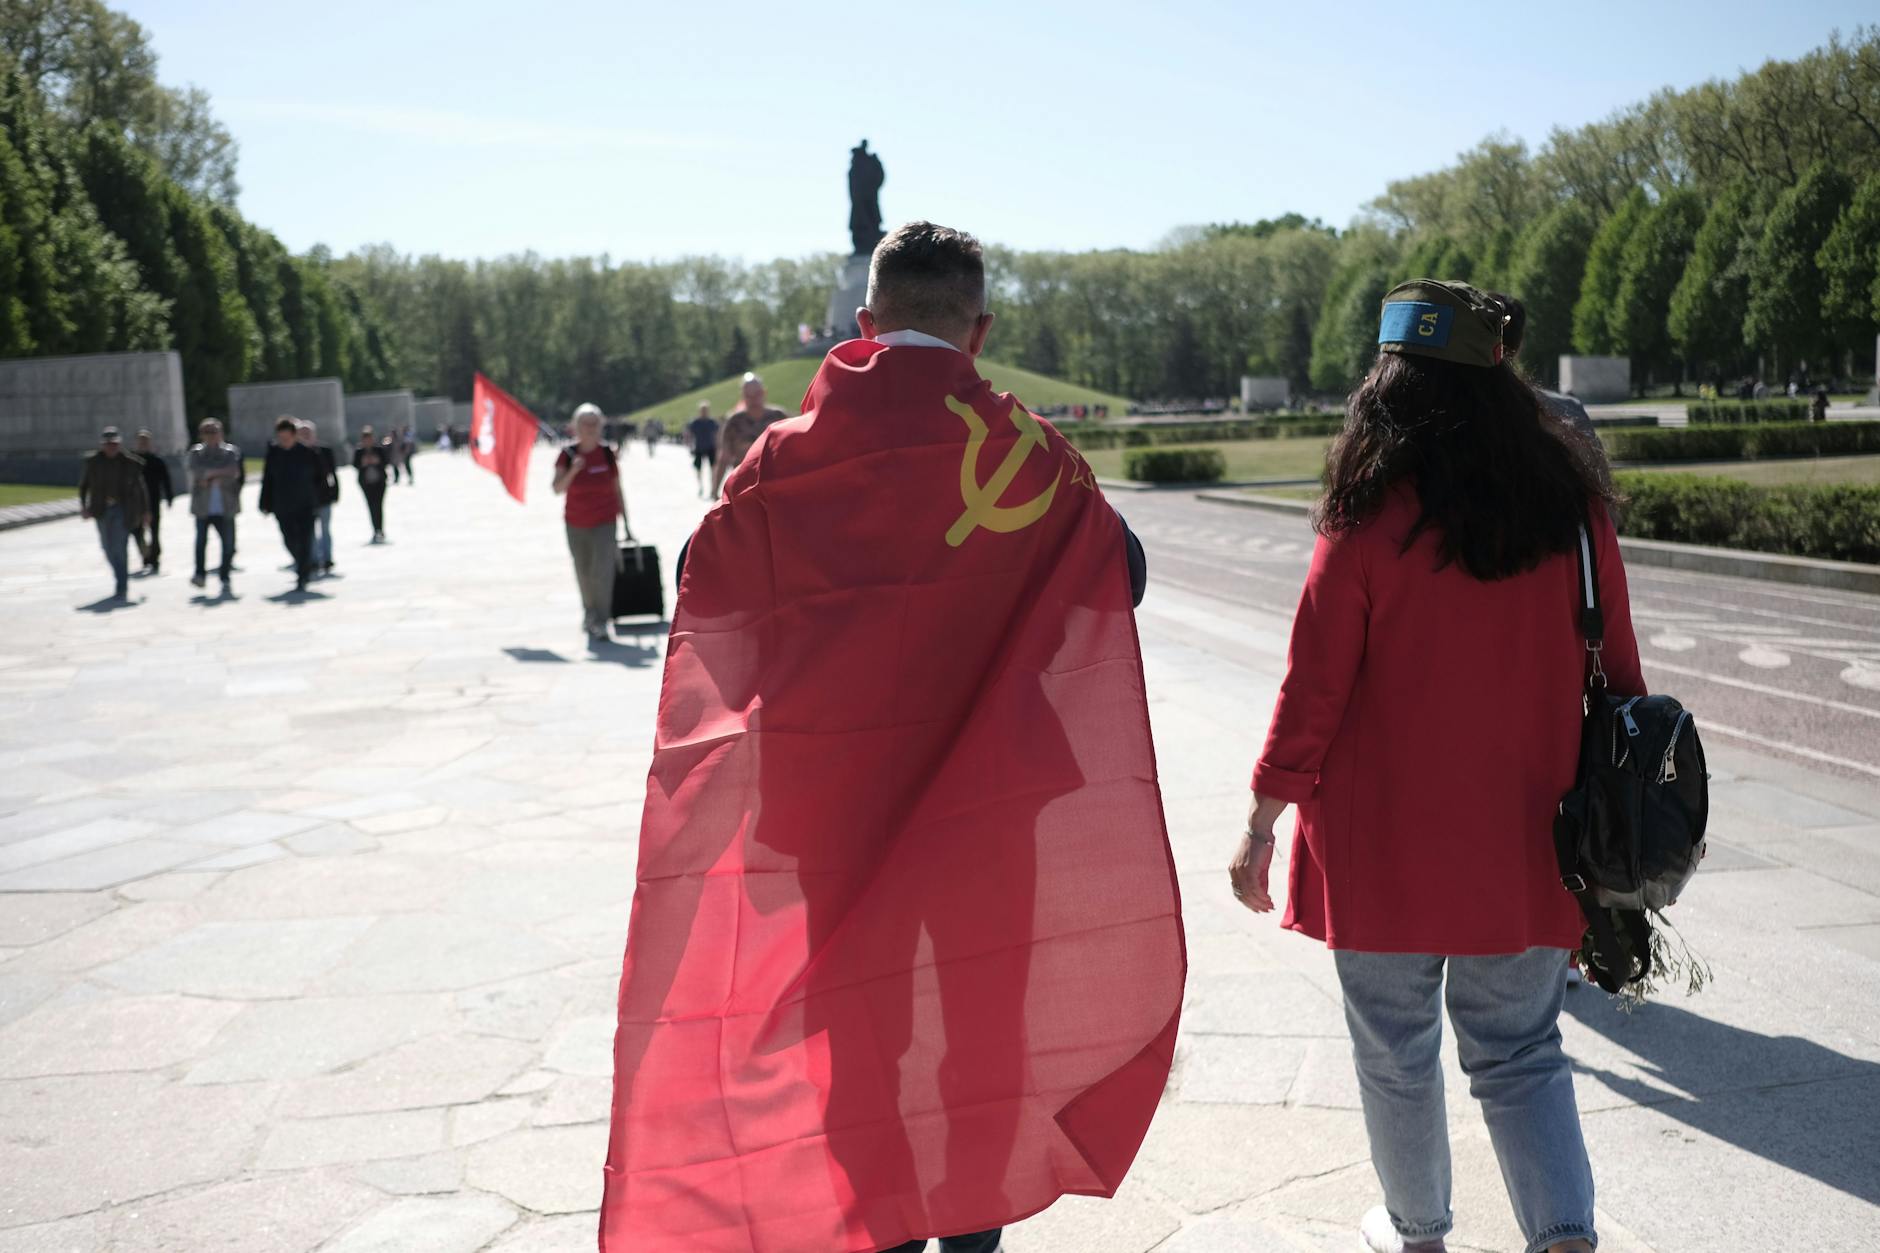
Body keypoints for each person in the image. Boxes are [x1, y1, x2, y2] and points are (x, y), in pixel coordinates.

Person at [601, 221, 1174, 1253]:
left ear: (864, 325)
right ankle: (969, 1236)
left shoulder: (785, 457)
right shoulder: (1029, 453)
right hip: (989, 799)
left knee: (859, 1026)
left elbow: (703, 575)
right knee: (981, 1021)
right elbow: (1120, 575)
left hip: (832, 797)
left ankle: (882, 1231)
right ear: (979, 328)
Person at [1229, 280, 1642, 1253]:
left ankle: (1416, 1232)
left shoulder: (1364, 518)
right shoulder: (1571, 511)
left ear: (1386, 383)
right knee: (1520, 1049)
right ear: (1499, 378)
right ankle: (1562, 1232)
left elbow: (1311, 690)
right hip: (1528, 834)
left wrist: (1260, 819)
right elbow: (1619, 668)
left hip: (1382, 847)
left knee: (1395, 1054)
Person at [551, 403, 631, 641]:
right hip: (576, 523)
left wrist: (626, 523)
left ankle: (601, 619)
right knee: (584, 571)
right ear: (575, 427)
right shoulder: (567, 455)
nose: (590, 428)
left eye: (594, 423)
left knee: (602, 570)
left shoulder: (607, 453)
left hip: (605, 521)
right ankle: (589, 613)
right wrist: (574, 470)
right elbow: (557, 488)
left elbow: (618, 489)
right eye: (585, 423)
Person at [77, 426, 148, 602]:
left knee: (119, 546)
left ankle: (121, 585)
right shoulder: (93, 462)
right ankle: (119, 576)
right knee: (107, 547)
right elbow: (84, 486)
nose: (111, 447)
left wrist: (146, 511)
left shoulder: (130, 463)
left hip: (123, 509)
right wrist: (84, 507)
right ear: (103, 445)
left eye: (114, 444)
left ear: (119, 444)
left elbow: (141, 489)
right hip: (101, 509)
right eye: (108, 444)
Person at [258, 416, 323, 593]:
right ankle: (303, 563)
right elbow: (267, 480)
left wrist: (321, 500)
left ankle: (303, 575)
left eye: (287, 438)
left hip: (306, 505)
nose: (284, 441)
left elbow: (320, 479)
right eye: (281, 438)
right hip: (282, 505)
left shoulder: (308, 453)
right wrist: (264, 502)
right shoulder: (274, 454)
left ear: (295, 436)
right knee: (289, 539)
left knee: (305, 540)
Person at [185, 419, 242, 593]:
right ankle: (200, 574)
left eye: (215, 431)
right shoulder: (196, 452)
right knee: (201, 542)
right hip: (203, 506)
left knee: (229, 544)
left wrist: (210, 474)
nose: (212, 435)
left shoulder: (230, 451)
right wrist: (216, 474)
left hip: (226, 505)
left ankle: (225, 576)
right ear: (202, 435)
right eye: (208, 432)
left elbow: (233, 472)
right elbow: (197, 472)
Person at [712, 371, 788, 496]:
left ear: (764, 392)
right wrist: (715, 491)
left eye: (757, 394)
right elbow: (723, 458)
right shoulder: (734, 421)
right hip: (744, 488)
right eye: (748, 395)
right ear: (742, 396)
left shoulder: (779, 417)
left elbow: (792, 451)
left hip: (775, 485)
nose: (753, 399)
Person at [128, 428, 175, 576]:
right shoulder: (130, 461)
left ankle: (154, 557)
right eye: (140, 441)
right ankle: (146, 554)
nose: (143, 444)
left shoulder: (157, 460)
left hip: (153, 500)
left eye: (145, 441)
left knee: (154, 530)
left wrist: (169, 497)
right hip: (135, 502)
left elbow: (165, 480)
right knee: (137, 531)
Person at [297, 421, 340, 576]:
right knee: (310, 532)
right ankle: (314, 560)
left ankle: (327, 558)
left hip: (323, 496)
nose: (306, 436)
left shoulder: (324, 451)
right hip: (305, 500)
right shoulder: (296, 453)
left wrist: (335, 493)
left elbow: (330, 473)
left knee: (325, 530)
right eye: (303, 433)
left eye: (308, 433)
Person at [353, 427, 391, 543]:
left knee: (378, 505)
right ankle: (375, 529)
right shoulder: (359, 451)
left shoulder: (378, 450)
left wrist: (377, 461)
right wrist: (363, 463)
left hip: (379, 481)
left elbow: (386, 461)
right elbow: (355, 464)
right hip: (366, 483)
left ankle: (380, 529)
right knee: (371, 506)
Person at [684, 401, 719, 498]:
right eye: (702, 410)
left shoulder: (712, 422)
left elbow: (718, 434)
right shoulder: (695, 422)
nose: (704, 412)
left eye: (706, 410)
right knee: (698, 468)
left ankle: (713, 487)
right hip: (699, 447)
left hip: (711, 447)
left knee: (713, 468)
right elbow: (688, 434)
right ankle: (701, 486)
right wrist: (689, 445)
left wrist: (718, 446)